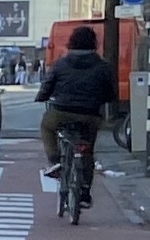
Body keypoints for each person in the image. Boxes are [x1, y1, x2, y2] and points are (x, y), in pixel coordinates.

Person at [35, 25, 114, 183]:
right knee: (88, 151)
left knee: (47, 126)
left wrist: (41, 96)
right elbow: (110, 93)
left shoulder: (60, 64)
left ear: (71, 42)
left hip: (61, 111)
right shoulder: (103, 66)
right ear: (94, 44)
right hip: (90, 114)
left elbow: (47, 86)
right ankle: (84, 193)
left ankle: (55, 160)